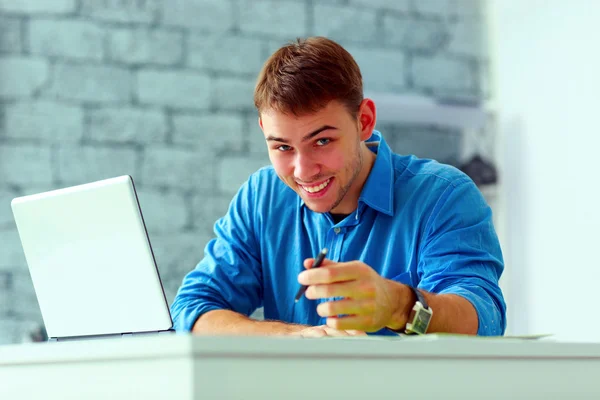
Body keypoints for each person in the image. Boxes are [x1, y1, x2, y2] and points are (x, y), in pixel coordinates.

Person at [170, 36, 506, 338]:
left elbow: (483, 317)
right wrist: (289, 339)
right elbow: (192, 309)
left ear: (364, 121)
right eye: (282, 147)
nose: (303, 171)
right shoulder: (262, 198)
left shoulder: (444, 196)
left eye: (322, 141)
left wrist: (398, 306)